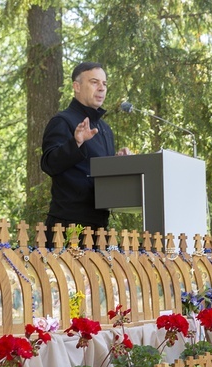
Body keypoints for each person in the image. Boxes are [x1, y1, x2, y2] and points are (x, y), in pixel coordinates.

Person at [40, 62, 130, 239]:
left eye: (104, 84)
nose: (101, 88)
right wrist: (76, 142)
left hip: (100, 225)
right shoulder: (62, 121)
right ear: (77, 86)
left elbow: (100, 173)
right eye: (95, 82)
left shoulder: (105, 129)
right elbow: (49, 163)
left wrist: (119, 163)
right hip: (69, 224)